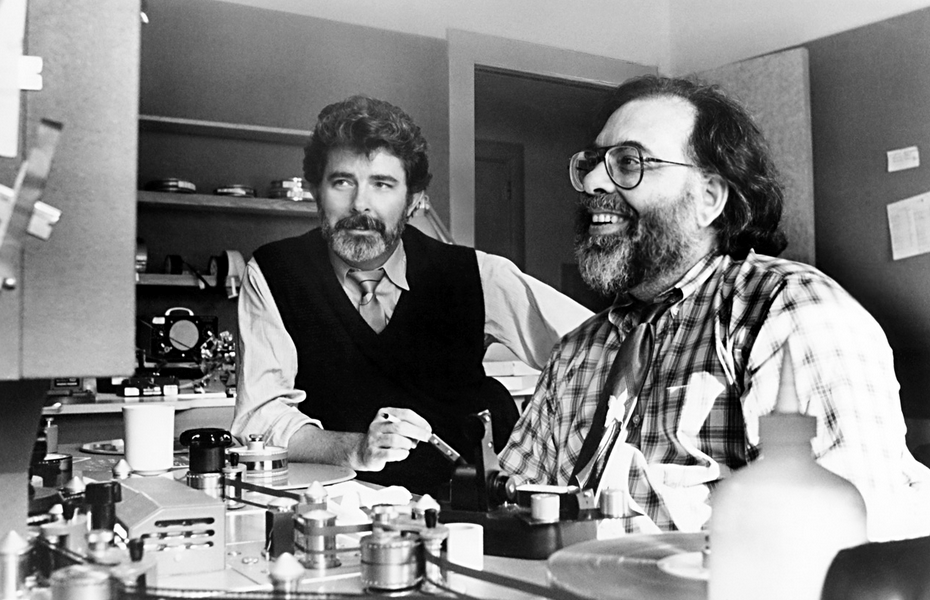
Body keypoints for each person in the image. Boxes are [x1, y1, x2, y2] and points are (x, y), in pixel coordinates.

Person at [499, 75, 930, 541]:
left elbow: (837, 543)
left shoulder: (790, 311)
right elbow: (509, 507)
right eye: (592, 163)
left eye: (629, 162)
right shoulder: (574, 353)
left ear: (709, 199)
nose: (592, 182)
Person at [232, 95, 592, 495]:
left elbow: (597, 352)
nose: (360, 204)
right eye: (342, 182)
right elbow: (261, 418)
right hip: (342, 506)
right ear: (317, 190)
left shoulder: (475, 273)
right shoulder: (275, 272)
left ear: (414, 200)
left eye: (382, 185)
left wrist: (541, 447)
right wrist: (356, 449)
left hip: (473, 506)